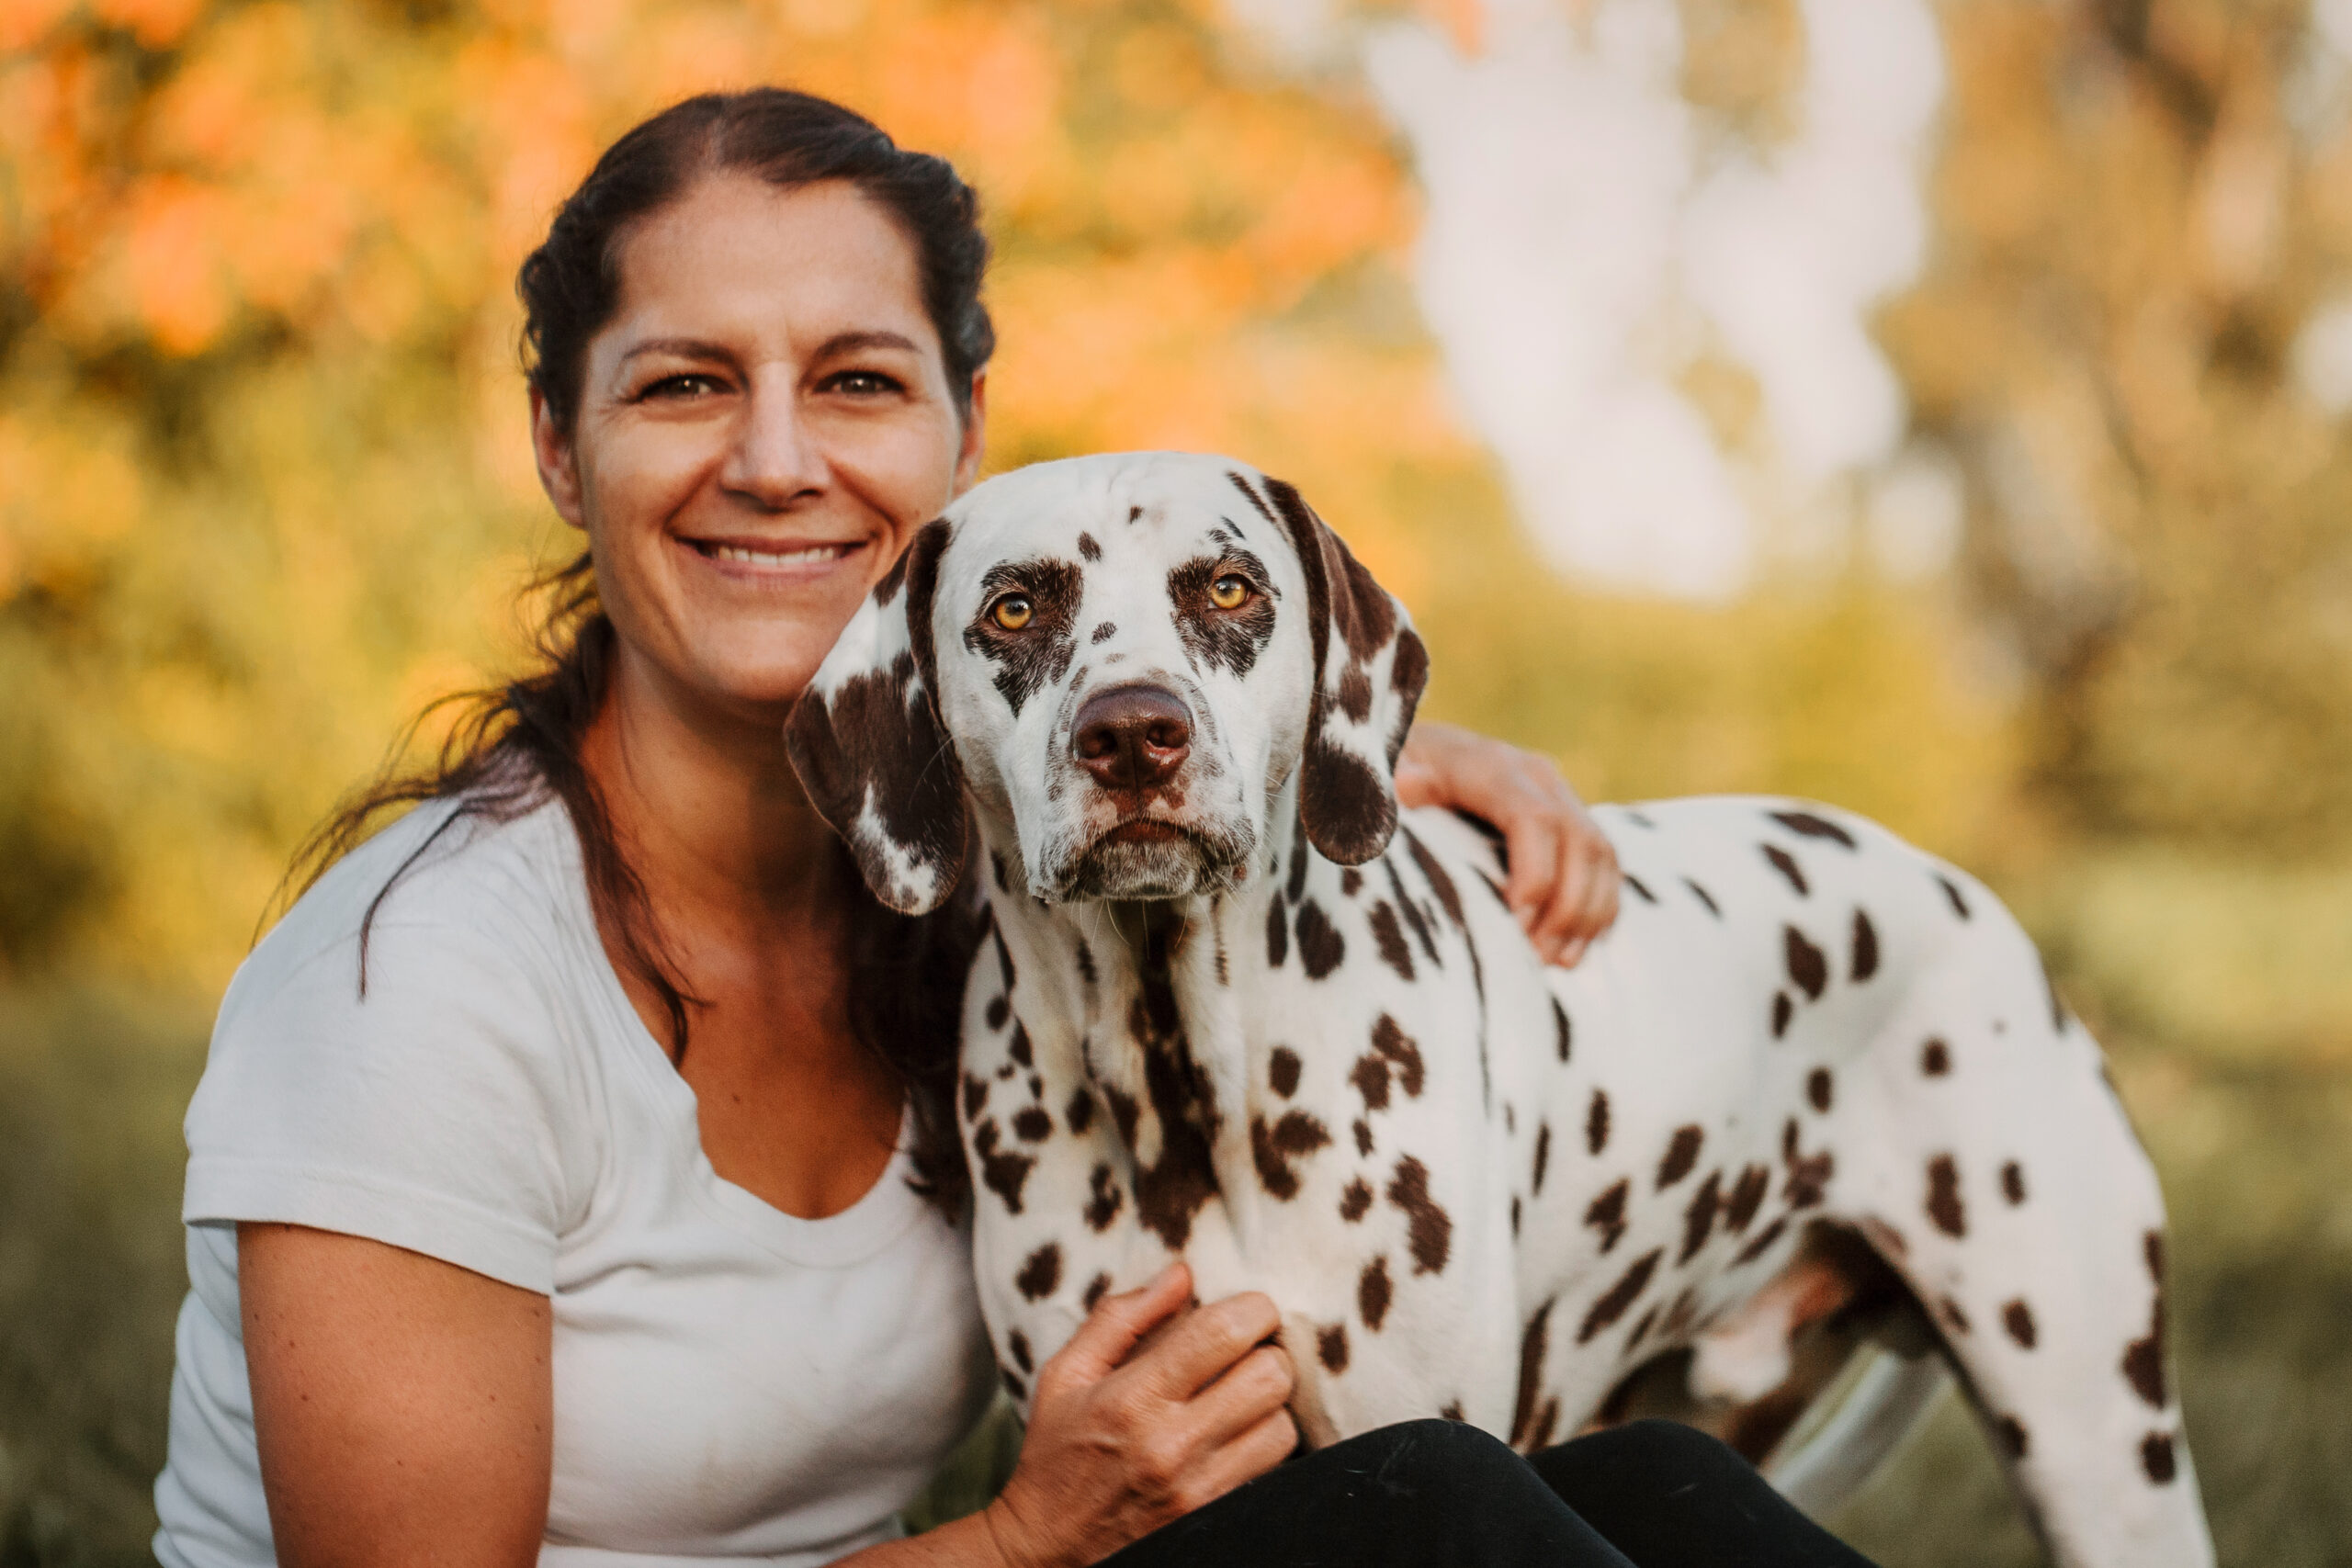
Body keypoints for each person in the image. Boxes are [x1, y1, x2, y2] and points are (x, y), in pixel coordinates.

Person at [152, 88, 1872, 1568]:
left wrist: (1372, 753)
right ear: (555, 443)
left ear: (965, 439)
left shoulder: (962, 895)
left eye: (856, 382)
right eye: (681, 384)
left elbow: (1153, 776)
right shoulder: (417, 990)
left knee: (1660, 1488)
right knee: (1428, 1506)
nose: (773, 459)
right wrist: (1022, 1540)